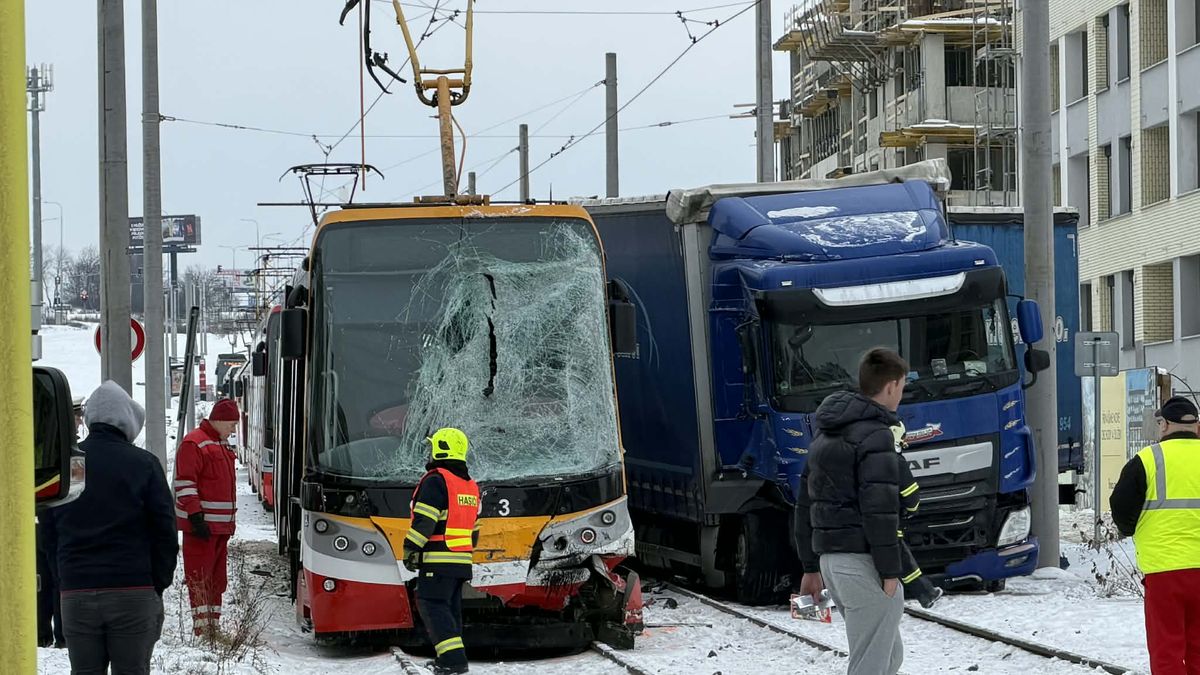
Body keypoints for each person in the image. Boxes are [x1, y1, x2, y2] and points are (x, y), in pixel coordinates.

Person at [41, 381, 178, 674]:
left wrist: (64, 577)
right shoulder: (144, 465)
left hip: (77, 592)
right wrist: (157, 583)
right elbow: (164, 530)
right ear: (128, 422)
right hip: (133, 590)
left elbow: (49, 530)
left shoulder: (69, 465)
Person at [795, 348, 908, 675]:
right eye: (901, 387)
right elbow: (880, 509)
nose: (901, 395)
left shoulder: (824, 436)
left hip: (833, 564)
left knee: (888, 657)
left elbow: (805, 503)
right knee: (870, 664)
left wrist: (810, 567)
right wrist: (889, 571)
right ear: (890, 386)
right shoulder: (876, 436)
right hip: (862, 564)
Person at [1110, 395, 1200, 675]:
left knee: (1167, 651)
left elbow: (1121, 507)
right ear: (1196, 426)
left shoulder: (1146, 460)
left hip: (1164, 571)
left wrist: (1130, 529)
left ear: (1164, 425)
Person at [402, 428, 481, 675]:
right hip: (461, 560)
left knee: (431, 603)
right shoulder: (469, 485)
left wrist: (411, 548)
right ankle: (452, 658)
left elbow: (424, 521)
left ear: (440, 448)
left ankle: (453, 660)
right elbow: (474, 530)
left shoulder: (437, 481)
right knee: (449, 608)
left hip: (438, 559)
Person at [174, 399, 240, 637]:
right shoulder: (195, 443)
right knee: (200, 577)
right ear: (220, 420)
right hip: (202, 527)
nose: (233, 430)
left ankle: (213, 626)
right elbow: (185, 483)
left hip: (220, 527)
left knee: (216, 580)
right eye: (232, 425)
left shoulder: (219, 444)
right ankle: (203, 629)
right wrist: (195, 516)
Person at [891, 421, 943, 609]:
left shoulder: (864, 457)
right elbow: (910, 494)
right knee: (901, 558)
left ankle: (925, 592)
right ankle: (925, 593)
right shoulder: (896, 461)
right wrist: (912, 510)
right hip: (888, 521)